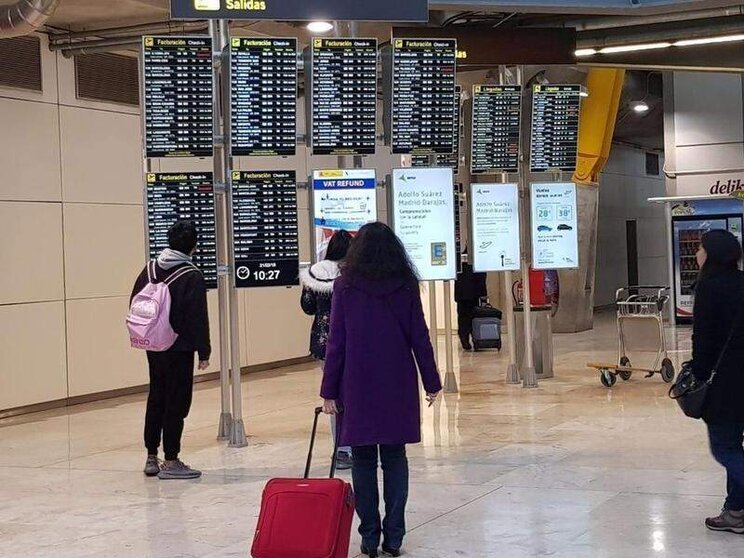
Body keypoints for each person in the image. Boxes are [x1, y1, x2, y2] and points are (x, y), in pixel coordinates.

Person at [321, 222, 442, 558]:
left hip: (356, 383)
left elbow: (337, 343)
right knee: (394, 456)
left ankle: (369, 537)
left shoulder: (345, 286)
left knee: (361, 458)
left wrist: (329, 390)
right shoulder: (405, 284)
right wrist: (431, 382)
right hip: (397, 382)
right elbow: (420, 336)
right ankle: (395, 537)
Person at [130, 220, 210, 480]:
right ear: (193, 246)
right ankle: (172, 459)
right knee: (177, 401)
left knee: (157, 395)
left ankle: (151, 455)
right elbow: (197, 317)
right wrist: (204, 351)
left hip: (152, 344)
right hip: (179, 347)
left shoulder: (150, 269)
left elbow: (135, 301)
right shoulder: (191, 275)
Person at [691, 229, 744, 533]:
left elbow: (704, 339)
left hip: (724, 384)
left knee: (724, 447)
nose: (697, 253)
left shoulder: (709, 287)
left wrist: (698, 375)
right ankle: (735, 511)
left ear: (711, 253)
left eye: (700, 248)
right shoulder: (741, 282)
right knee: (735, 447)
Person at [300, 229, 353, 470]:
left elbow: (307, 307)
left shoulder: (316, 273)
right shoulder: (354, 274)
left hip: (323, 341)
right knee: (353, 392)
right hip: (352, 339)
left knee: (333, 393)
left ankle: (340, 448)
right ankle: (354, 444)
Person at [454, 252, 488, 350]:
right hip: (472, 290)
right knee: (471, 315)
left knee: (465, 315)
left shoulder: (460, 254)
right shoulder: (476, 254)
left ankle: (468, 338)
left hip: (465, 291)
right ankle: (474, 339)